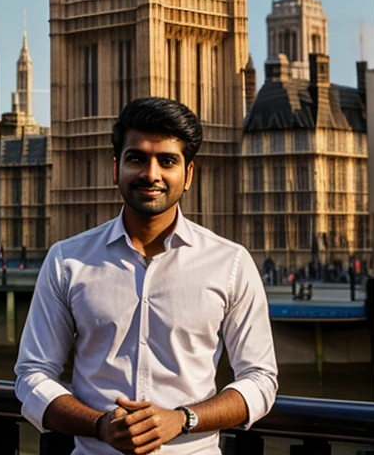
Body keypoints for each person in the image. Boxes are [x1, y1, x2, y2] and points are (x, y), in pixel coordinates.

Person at [15, 97, 277, 454]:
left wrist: (183, 419)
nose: (150, 174)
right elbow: (32, 375)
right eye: (136, 158)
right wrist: (100, 425)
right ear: (115, 169)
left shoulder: (230, 263)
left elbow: (261, 380)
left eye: (167, 161)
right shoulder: (67, 260)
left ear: (189, 174)